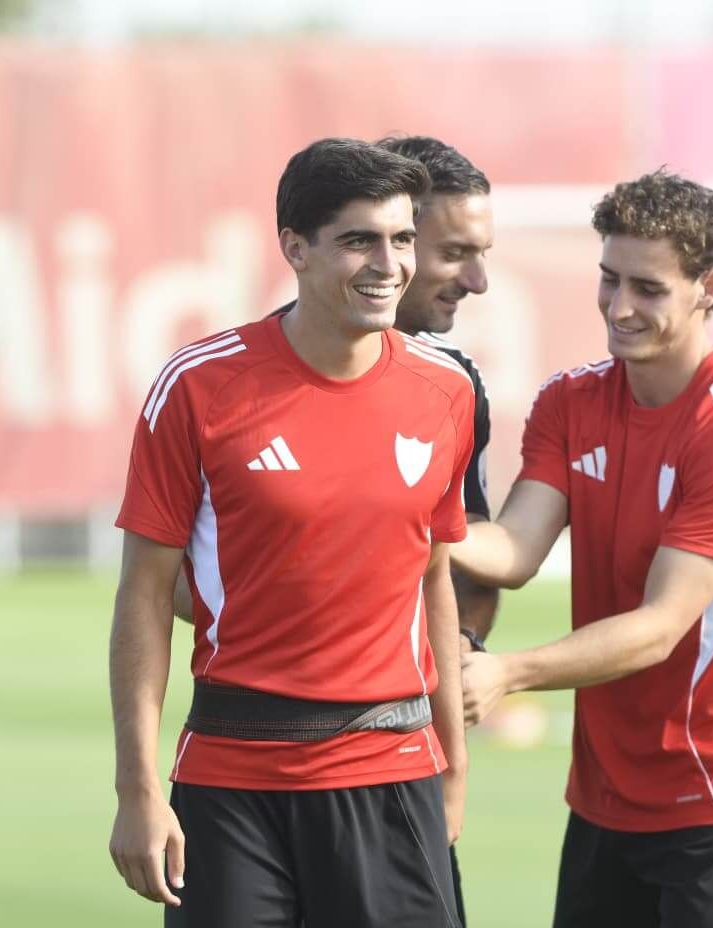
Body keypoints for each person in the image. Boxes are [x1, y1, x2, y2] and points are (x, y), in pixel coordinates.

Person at [108, 137, 474, 928]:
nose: (389, 263)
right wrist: (137, 790)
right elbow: (143, 596)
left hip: (393, 772)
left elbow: (433, 579)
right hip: (232, 783)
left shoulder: (446, 390)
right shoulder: (198, 387)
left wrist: (454, 766)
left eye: (402, 238)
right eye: (359, 240)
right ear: (295, 248)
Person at [451, 169, 713, 928]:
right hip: (604, 800)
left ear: (708, 285)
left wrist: (508, 673)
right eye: (609, 279)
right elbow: (512, 549)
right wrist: (405, 519)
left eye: (647, 288)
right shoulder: (571, 401)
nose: (619, 307)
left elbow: (658, 628)